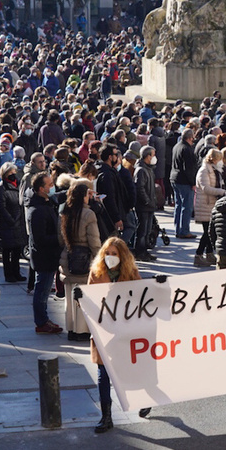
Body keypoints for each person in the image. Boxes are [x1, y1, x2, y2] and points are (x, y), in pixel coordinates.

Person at [86, 237, 149, 433]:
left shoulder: (131, 273)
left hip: (126, 330)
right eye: (108, 253)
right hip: (104, 332)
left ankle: (145, 399)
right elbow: (88, 300)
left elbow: (143, 297)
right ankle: (106, 416)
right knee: (103, 374)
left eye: (114, 254)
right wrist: (80, 298)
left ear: (122, 256)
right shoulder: (96, 273)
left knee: (132, 370)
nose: (110, 257)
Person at [59, 181, 103, 342]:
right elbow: (94, 240)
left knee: (70, 297)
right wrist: (99, 258)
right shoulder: (88, 214)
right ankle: (82, 330)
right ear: (83, 197)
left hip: (68, 256)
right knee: (84, 294)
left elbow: (60, 238)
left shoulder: (65, 211)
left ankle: (71, 328)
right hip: (84, 258)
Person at [26, 171, 63, 335]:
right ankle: (41, 322)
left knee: (44, 289)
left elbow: (61, 196)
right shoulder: (37, 210)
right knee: (42, 290)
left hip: (49, 255)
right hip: (44, 257)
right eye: (49, 185)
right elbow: (40, 238)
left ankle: (44, 319)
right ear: (41, 189)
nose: (52, 187)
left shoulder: (48, 202)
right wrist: (60, 238)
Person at [193, 148, 226, 267]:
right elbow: (205, 188)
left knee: (211, 232)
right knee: (208, 232)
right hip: (205, 205)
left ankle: (209, 253)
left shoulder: (215, 170)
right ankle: (198, 254)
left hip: (212, 204)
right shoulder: (204, 171)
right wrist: (222, 192)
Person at [0, 162, 27, 283]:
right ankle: (9, 274)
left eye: (14, 172)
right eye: (11, 172)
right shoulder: (1, 187)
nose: (14, 174)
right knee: (7, 250)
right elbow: (1, 208)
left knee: (17, 250)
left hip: (18, 221)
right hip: (8, 223)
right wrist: (11, 220)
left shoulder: (18, 184)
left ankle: (16, 272)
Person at [171, 128, 198, 239]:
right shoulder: (187, 149)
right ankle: (184, 230)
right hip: (184, 181)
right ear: (190, 138)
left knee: (178, 205)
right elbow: (189, 168)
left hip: (175, 178)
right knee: (186, 206)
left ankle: (178, 229)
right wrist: (193, 182)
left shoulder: (177, 146)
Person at [133, 145, 157, 261]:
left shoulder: (149, 169)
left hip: (149, 205)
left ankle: (145, 251)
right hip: (144, 206)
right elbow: (140, 188)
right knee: (142, 230)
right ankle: (140, 251)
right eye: (153, 155)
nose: (154, 157)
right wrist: (147, 201)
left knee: (147, 230)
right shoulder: (141, 170)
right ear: (147, 156)